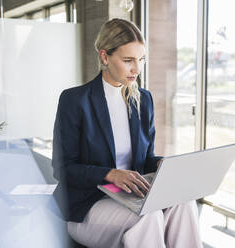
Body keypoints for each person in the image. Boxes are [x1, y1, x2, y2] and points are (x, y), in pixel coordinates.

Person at [52, 18, 202, 248]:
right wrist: (110, 174)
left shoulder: (143, 100)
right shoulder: (75, 101)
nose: (137, 69)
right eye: (128, 60)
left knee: (185, 203)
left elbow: (145, 160)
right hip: (88, 206)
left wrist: (164, 165)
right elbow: (63, 168)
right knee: (148, 216)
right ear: (105, 57)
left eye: (141, 60)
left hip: (130, 197)